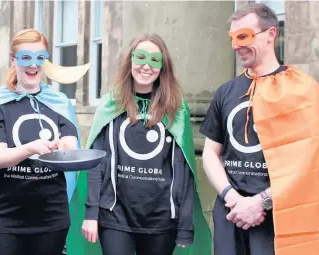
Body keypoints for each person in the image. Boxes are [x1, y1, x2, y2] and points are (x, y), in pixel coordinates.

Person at [200, 3, 319, 255]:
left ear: (271, 34)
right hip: (232, 214)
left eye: (244, 36)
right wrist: (233, 198)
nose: (236, 45)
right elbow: (210, 153)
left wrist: (261, 202)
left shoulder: (302, 89)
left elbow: (306, 165)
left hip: (278, 219)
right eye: (232, 38)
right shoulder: (225, 92)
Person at [68, 33, 212, 255]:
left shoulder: (175, 108)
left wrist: (184, 223)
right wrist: (91, 213)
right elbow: (97, 163)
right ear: (130, 61)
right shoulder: (111, 104)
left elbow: (183, 169)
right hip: (114, 215)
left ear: (163, 66)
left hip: (161, 219)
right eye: (141, 57)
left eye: (154, 60)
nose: (146, 66)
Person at [0, 28, 89, 255]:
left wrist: (63, 148)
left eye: (40, 58)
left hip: (50, 215)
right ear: (14, 61)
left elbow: (70, 148)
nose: (33, 65)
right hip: (3, 217)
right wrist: (32, 148)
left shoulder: (59, 102)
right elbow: (1, 159)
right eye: (26, 57)